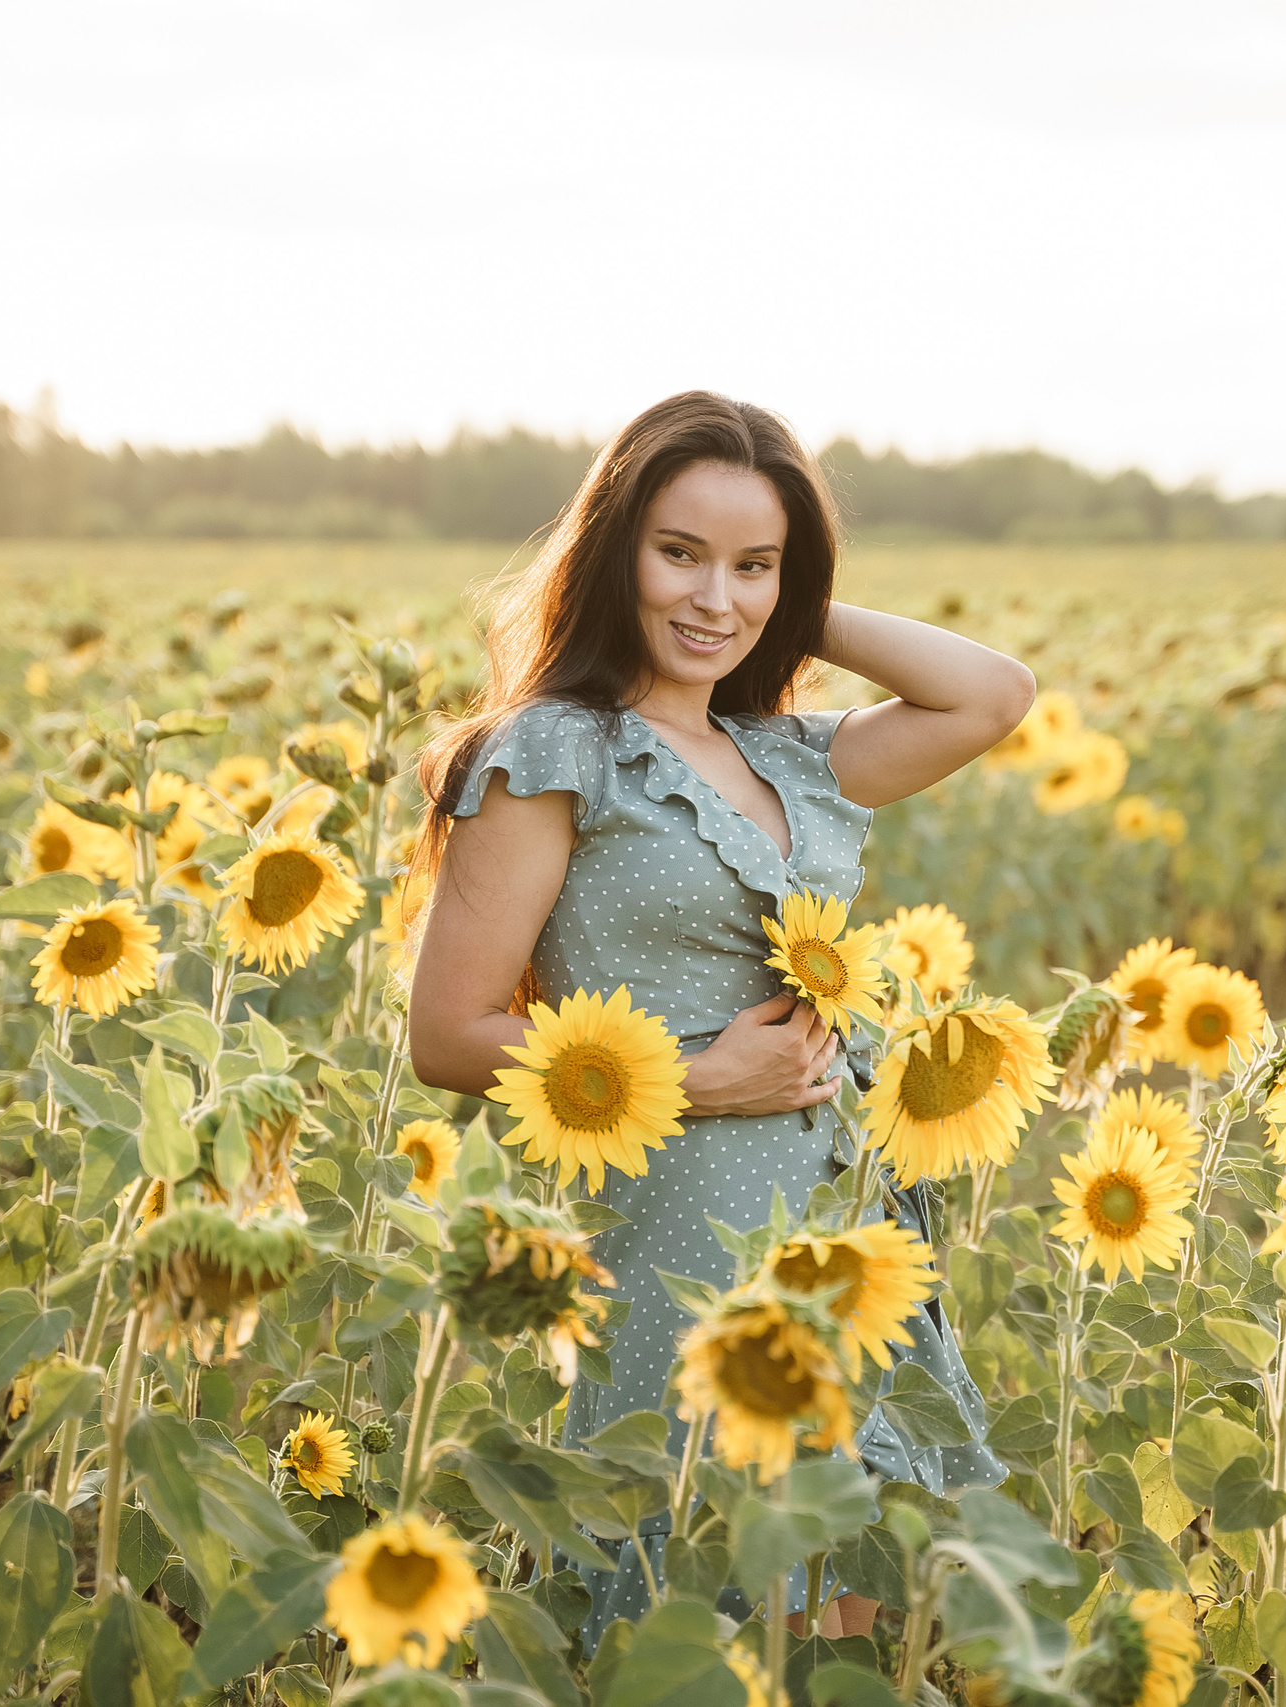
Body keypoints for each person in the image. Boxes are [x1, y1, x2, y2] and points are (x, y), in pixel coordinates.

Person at [405, 389, 1033, 1645]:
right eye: (677, 553)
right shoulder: (552, 751)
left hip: (837, 1226)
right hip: (673, 1214)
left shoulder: (788, 753)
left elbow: (992, 694)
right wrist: (700, 1078)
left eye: (755, 566)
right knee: (696, 1586)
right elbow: (450, 1034)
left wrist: (788, 607)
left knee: (844, 1598)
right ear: (611, 554)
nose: (713, 599)